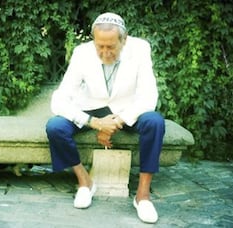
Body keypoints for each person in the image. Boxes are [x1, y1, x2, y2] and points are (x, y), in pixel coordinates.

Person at [45, 12, 165, 224]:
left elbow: (148, 96)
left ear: (124, 40)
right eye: (100, 46)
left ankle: (143, 196)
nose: (105, 52)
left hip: (127, 110)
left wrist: (117, 122)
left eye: (111, 47)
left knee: (155, 122)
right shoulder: (82, 53)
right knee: (55, 126)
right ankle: (85, 182)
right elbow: (59, 100)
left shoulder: (140, 49)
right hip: (91, 109)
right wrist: (96, 123)